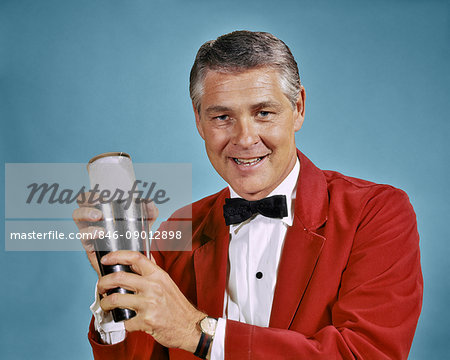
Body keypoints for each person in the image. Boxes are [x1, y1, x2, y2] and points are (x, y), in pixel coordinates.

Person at [73, 30, 423, 359]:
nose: (244, 138)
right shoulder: (178, 229)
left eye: (264, 113)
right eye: (222, 117)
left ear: (298, 107)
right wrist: (115, 280)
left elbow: (365, 353)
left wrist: (199, 334)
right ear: (198, 121)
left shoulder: (377, 212)